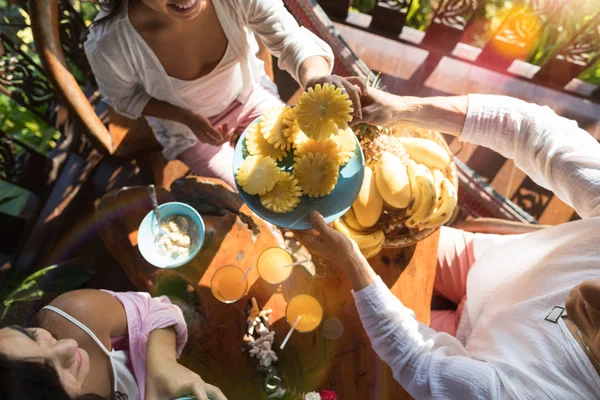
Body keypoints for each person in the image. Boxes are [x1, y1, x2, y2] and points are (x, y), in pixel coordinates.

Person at [295, 90, 600, 399]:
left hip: (460, 348)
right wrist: (404, 107)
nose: (590, 287)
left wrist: (352, 261)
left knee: (331, 327)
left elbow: (420, 362)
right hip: (480, 262)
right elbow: (530, 130)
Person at [84, 0, 364, 189]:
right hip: (187, 132)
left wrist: (316, 80)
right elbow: (124, 98)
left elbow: (289, 39)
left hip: (249, 96)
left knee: (308, 162)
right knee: (255, 191)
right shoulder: (111, 46)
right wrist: (186, 118)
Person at [0, 289, 226, 400]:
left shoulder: (73, 316)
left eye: (29, 335)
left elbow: (156, 308)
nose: (67, 346)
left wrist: (163, 364)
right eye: (50, 374)